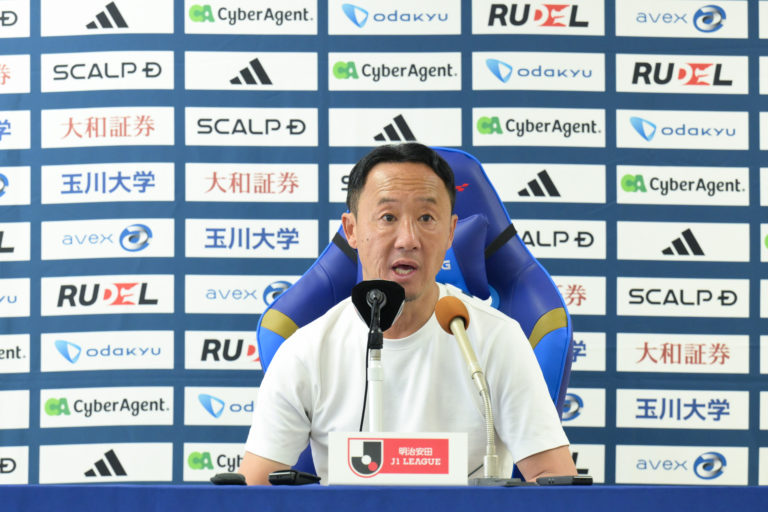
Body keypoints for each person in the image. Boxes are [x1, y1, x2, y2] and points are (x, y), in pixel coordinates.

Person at [239, 143, 576, 485]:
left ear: (450, 232)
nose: (408, 239)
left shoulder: (496, 339)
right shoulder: (306, 350)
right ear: (352, 230)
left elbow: (552, 477)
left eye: (426, 218)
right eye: (388, 217)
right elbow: (255, 487)